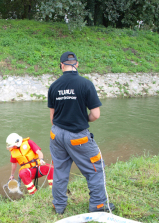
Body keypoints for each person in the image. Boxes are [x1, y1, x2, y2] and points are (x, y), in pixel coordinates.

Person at [47, 51, 115, 214]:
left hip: (56, 135)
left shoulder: (54, 86)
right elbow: (95, 115)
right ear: (76, 64)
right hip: (77, 136)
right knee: (95, 168)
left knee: (60, 171)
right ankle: (98, 205)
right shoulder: (85, 84)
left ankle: (59, 206)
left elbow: (52, 117)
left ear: (61, 65)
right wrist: (83, 119)